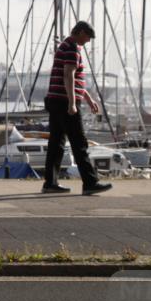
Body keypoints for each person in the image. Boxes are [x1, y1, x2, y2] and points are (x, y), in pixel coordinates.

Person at [41, 20, 111, 195]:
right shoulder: (71, 48)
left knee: (56, 143)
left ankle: (50, 183)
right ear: (80, 32)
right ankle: (90, 182)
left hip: (55, 100)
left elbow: (76, 80)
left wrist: (88, 98)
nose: (87, 41)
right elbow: (69, 75)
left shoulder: (66, 46)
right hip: (65, 102)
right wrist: (73, 103)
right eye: (87, 37)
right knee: (79, 142)